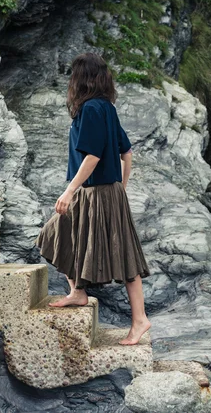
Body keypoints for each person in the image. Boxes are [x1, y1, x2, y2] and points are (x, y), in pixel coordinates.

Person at [36, 52, 151, 346]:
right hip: (106, 192)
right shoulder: (107, 109)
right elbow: (127, 153)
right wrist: (120, 188)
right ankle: (77, 292)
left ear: (80, 79)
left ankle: (139, 321)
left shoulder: (90, 110)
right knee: (60, 233)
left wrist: (69, 190)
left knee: (118, 253)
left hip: (93, 192)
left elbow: (93, 155)